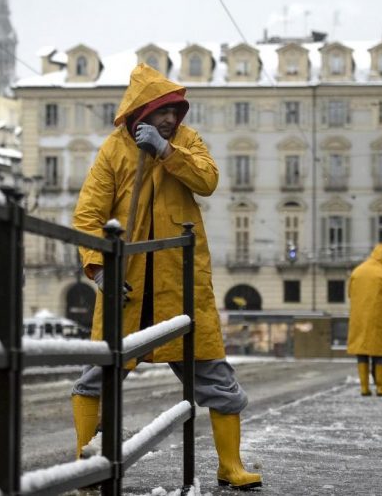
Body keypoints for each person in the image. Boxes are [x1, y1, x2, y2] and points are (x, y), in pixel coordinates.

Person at [70, 63, 261, 490]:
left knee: (217, 379)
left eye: (177, 111)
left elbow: (208, 180)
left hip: (181, 289)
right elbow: (88, 215)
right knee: (95, 379)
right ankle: (88, 465)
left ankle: (230, 466)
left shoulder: (185, 142)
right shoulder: (113, 151)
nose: (173, 119)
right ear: (142, 111)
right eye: (164, 112)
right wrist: (99, 269)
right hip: (129, 289)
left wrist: (165, 151)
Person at [346, 244, 382, 397]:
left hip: (359, 318)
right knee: (380, 353)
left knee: (362, 352)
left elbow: (350, 293)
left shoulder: (357, 271)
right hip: (378, 317)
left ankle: (364, 387)